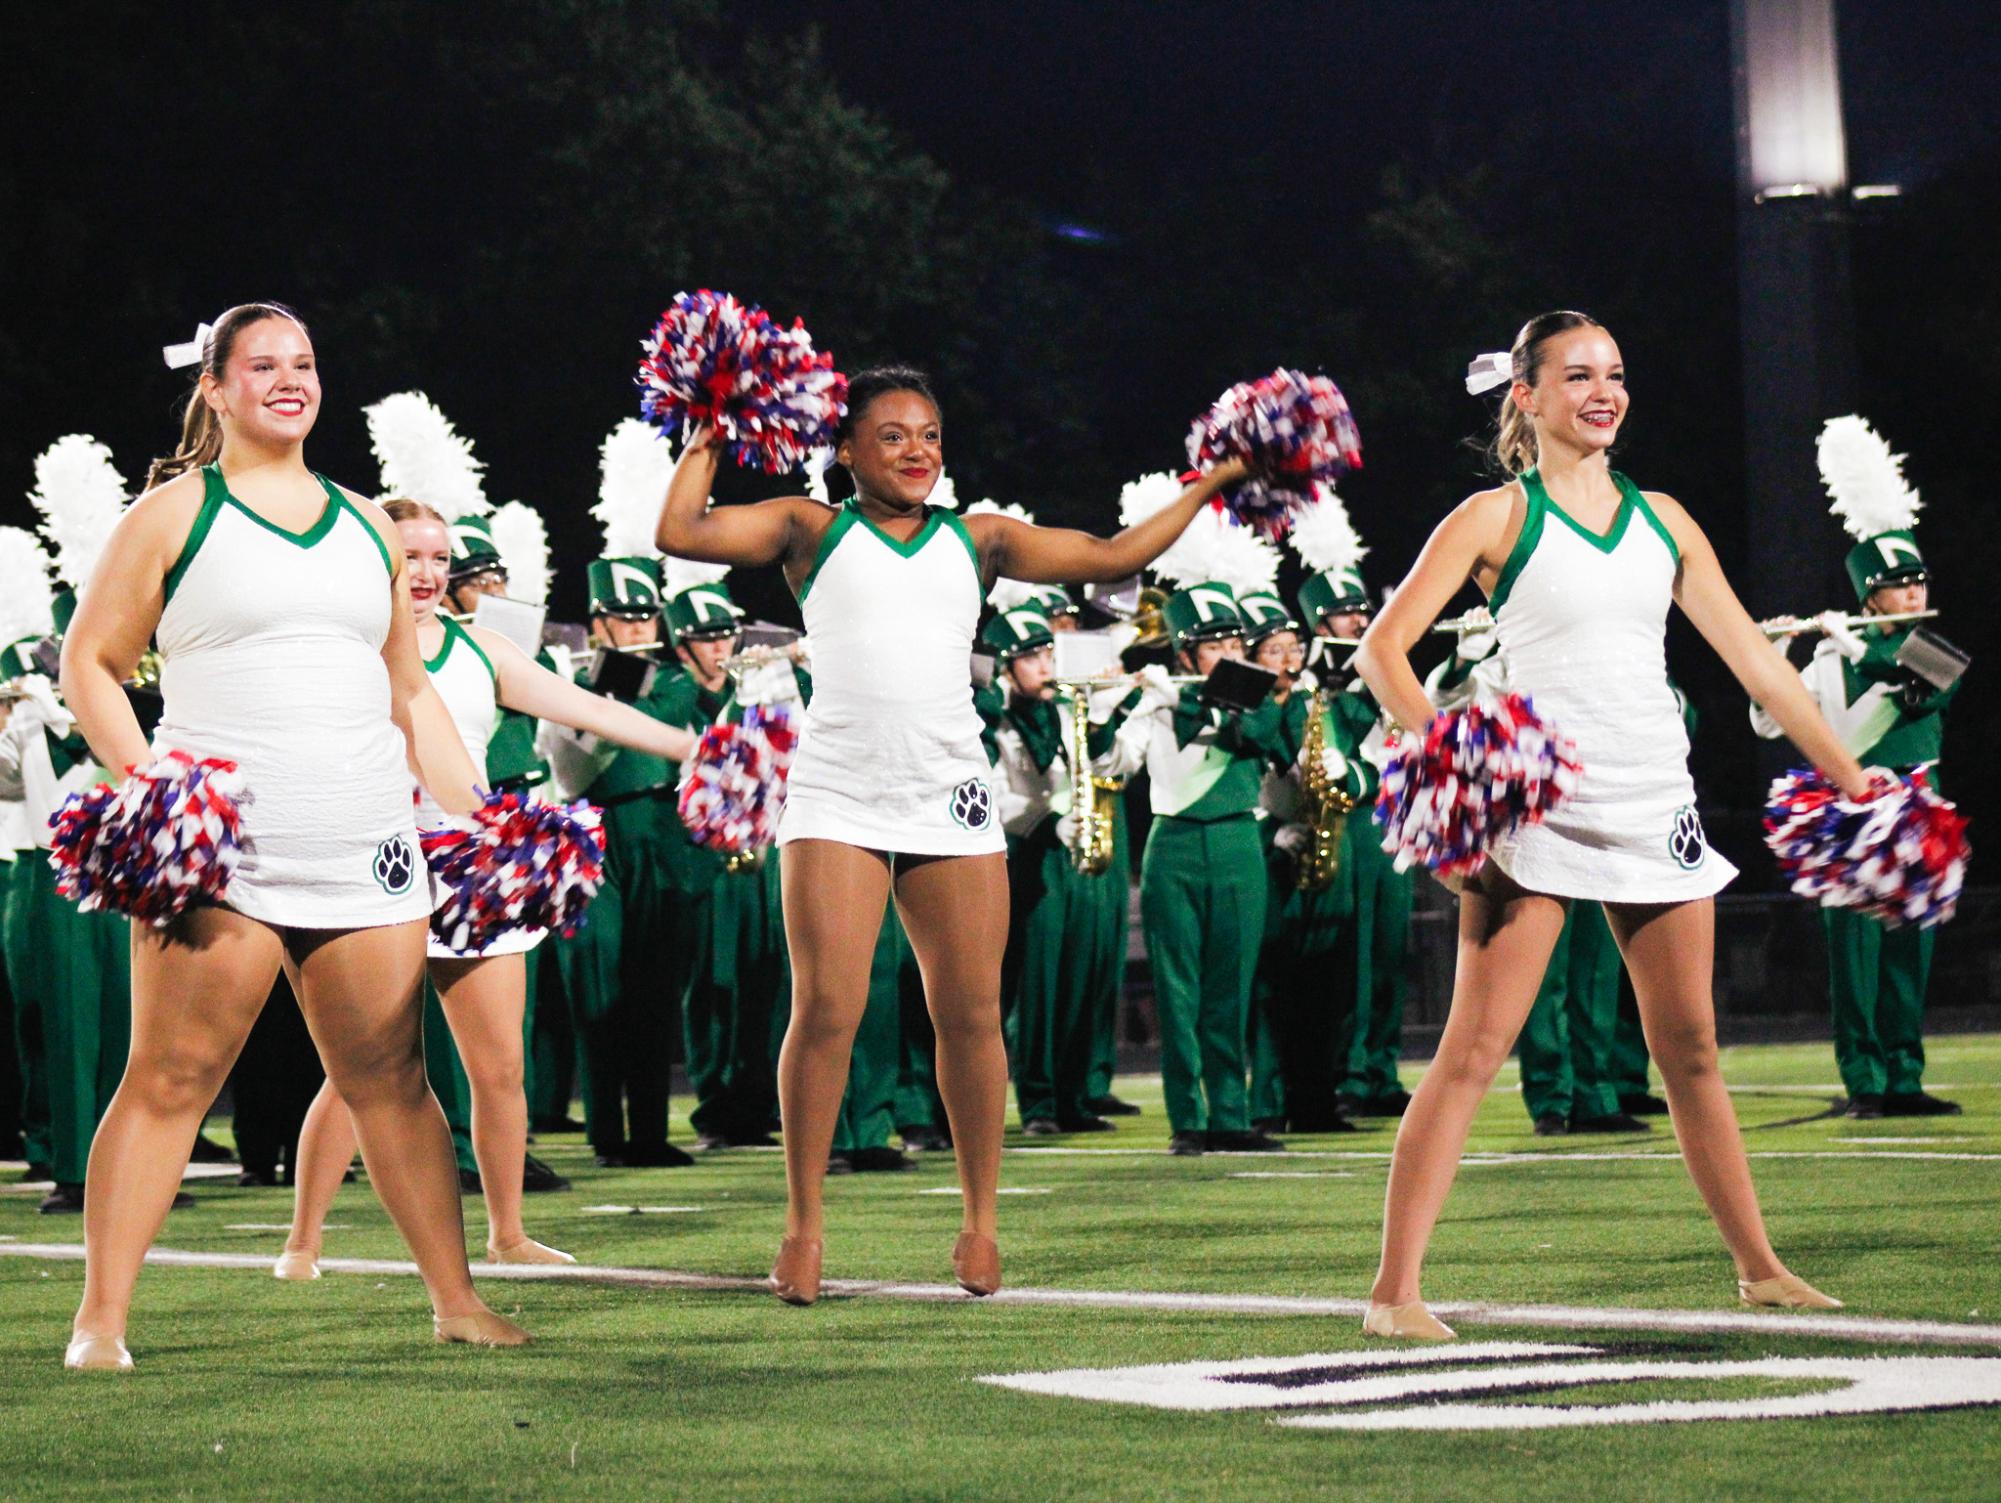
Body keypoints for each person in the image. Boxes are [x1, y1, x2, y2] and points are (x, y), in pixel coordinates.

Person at [656, 365, 1249, 1305]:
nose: (916, 451)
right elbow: (680, 531)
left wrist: (1214, 480)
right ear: (844, 449)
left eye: (930, 434)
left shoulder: (980, 540)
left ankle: (979, 1220)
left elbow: (1108, 553)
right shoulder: (810, 527)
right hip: (838, 790)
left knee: (970, 1010)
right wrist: (711, 431)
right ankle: (802, 1226)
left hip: (947, 789)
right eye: (891, 435)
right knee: (829, 1009)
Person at [1351, 310, 1866, 1340]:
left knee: (1693, 1051)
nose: (1604, 392)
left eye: (1617, 374)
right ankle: (1393, 1294)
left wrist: (1851, 776)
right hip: (1538, 810)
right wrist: (1456, 759)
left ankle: (1760, 1268)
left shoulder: (1664, 519)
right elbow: (1382, 652)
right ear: (1527, 398)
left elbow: (1753, 661)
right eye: (1577, 375)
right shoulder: (1494, 518)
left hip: (1654, 801)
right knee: (1474, 1050)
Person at [56, 303, 527, 1369]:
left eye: (304, 363)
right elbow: (90, 661)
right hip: (227, 853)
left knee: (393, 1080)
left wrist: (480, 818)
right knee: (170, 1078)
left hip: (366, 842)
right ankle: (102, 1319)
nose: (288, 380)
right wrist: (157, 791)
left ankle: (456, 1300)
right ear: (215, 387)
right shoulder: (174, 515)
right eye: (261, 364)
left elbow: (408, 690)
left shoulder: (366, 523)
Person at [275, 499, 696, 1277]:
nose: (429, 573)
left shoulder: (484, 649)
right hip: (381, 864)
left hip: (478, 867)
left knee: (498, 1065)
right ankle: (304, 1236)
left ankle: (506, 1230)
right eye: (412, 556)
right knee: (361, 1066)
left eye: (442, 559)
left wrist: (689, 744)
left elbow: (586, 707)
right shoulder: (346, 648)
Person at [1750, 435, 1959, 1119]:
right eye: (1900, 584)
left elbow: (1910, 690)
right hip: (1851, 802)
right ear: (1871, 596)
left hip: (1913, 802)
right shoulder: (1831, 656)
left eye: (1917, 580)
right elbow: (1767, 723)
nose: (1914, 591)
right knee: (1855, 955)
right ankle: (1864, 1080)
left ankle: (1905, 1076)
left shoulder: (1931, 647)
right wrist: (1778, 653)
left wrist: (1856, 649)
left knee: (1909, 948)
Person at [1121, 569, 1288, 1158]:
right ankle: (1187, 1119)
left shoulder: (1256, 697)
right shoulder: (1159, 699)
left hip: (1240, 841)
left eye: (1235, 643)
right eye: (1216, 645)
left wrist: (1191, 697)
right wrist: (1127, 702)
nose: (1230, 654)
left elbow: (1260, 733)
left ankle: (1231, 1116)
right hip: (1175, 846)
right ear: (1188, 649)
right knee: (1178, 989)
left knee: (1231, 989)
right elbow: (1115, 764)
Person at [981, 602, 1143, 1135]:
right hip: (1032, 857)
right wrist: (1050, 821)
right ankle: (1040, 1103)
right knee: (1040, 986)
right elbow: (994, 795)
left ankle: (1074, 1097)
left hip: (1079, 852)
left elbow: (1106, 765)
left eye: (1048, 653)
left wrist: (1110, 714)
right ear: (1006, 668)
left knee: (1083, 977)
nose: (1046, 666)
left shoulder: (1066, 709)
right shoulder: (994, 722)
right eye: (1030, 658)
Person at [1240, 585, 1379, 1134]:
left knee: (1329, 983)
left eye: (1293, 648)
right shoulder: (1249, 705)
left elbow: (1367, 765)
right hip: (1274, 857)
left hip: (1328, 846)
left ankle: (1317, 1097)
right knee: (1275, 986)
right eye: (1274, 650)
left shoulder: (1318, 701)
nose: (1290, 660)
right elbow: (1238, 780)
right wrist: (1271, 829)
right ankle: (1269, 1101)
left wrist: (1344, 774)